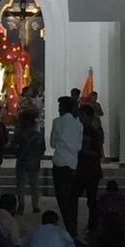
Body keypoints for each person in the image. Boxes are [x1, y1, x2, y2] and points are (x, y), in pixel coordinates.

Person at [50, 96, 83, 237]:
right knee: (72, 199)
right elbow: (79, 145)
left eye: (59, 107)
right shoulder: (78, 124)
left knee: (62, 199)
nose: (58, 110)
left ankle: (69, 228)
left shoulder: (57, 122)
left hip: (60, 163)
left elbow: (52, 143)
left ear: (63, 108)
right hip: (74, 163)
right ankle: (73, 227)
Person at [77, 103, 104, 231]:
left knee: (92, 201)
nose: (80, 118)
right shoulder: (78, 131)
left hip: (91, 170)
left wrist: (83, 151)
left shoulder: (94, 133)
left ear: (88, 116)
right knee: (74, 198)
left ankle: (93, 226)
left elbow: (98, 153)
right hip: (80, 169)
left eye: (82, 115)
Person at [13, 110, 45, 213]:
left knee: (21, 185)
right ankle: (35, 205)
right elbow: (42, 149)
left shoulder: (18, 134)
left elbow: (13, 147)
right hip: (34, 162)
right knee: (34, 185)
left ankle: (21, 205)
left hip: (22, 161)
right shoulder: (37, 135)